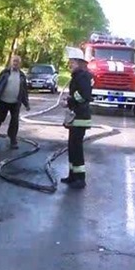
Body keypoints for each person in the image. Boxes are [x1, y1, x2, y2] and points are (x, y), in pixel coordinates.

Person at [60, 46, 93, 189]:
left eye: (72, 62)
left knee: (77, 148)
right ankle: (72, 175)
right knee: (72, 147)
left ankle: (80, 178)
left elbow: (84, 96)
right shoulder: (78, 76)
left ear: (79, 62)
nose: (70, 64)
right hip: (75, 117)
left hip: (80, 117)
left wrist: (69, 101)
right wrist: (70, 99)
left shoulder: (83, 76)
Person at [0, 55, 30, 149]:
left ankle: (13, 140)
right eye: (14, 61)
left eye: (17, 62)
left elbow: (24, 91)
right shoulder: (5, 73)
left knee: (14, 122)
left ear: (20, 64)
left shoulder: (22, 75)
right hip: (3, 101)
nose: (15, 63)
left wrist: (26, 103)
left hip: (15, 103)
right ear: (11, 62)